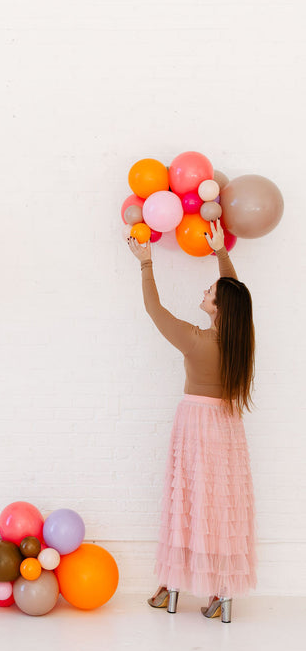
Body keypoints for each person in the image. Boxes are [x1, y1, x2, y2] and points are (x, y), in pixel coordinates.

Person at [127, 219, 256, 623]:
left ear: (217, 308)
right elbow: (237, 298)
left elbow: (154, 309)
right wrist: (221, 253)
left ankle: (170, 589)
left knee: (186, 502)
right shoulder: (242, 338)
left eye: (209, 292)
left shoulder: (195, 340)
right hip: (227, 426)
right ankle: (223, 595)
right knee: (218, 506)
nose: (205, 291)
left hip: (194, 424)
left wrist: (146, 262)